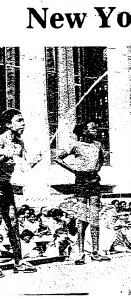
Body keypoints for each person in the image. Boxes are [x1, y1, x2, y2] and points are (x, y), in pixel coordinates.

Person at [54, 121, 110, 265]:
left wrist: (96, 169)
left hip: (94, 180)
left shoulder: (98, 145)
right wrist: (73, 170)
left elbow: (101, 160)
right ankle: (80, 252)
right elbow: (58, 158)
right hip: (81, 181)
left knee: (94, 216)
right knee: (82, 217)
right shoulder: (75, 145)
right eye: (92, 128)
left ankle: (96, 251)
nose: (96, 129)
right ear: (84, 131)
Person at [0, 109, 42, 277]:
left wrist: (34, 161)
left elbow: (24, 167)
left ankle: (18, 262)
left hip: (5, 185)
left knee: (12, 221)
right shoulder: (1, 140)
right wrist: (3, 156)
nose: (23, 124)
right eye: (19, 121)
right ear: (8, 124)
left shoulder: (20, 143)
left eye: (23, 120)